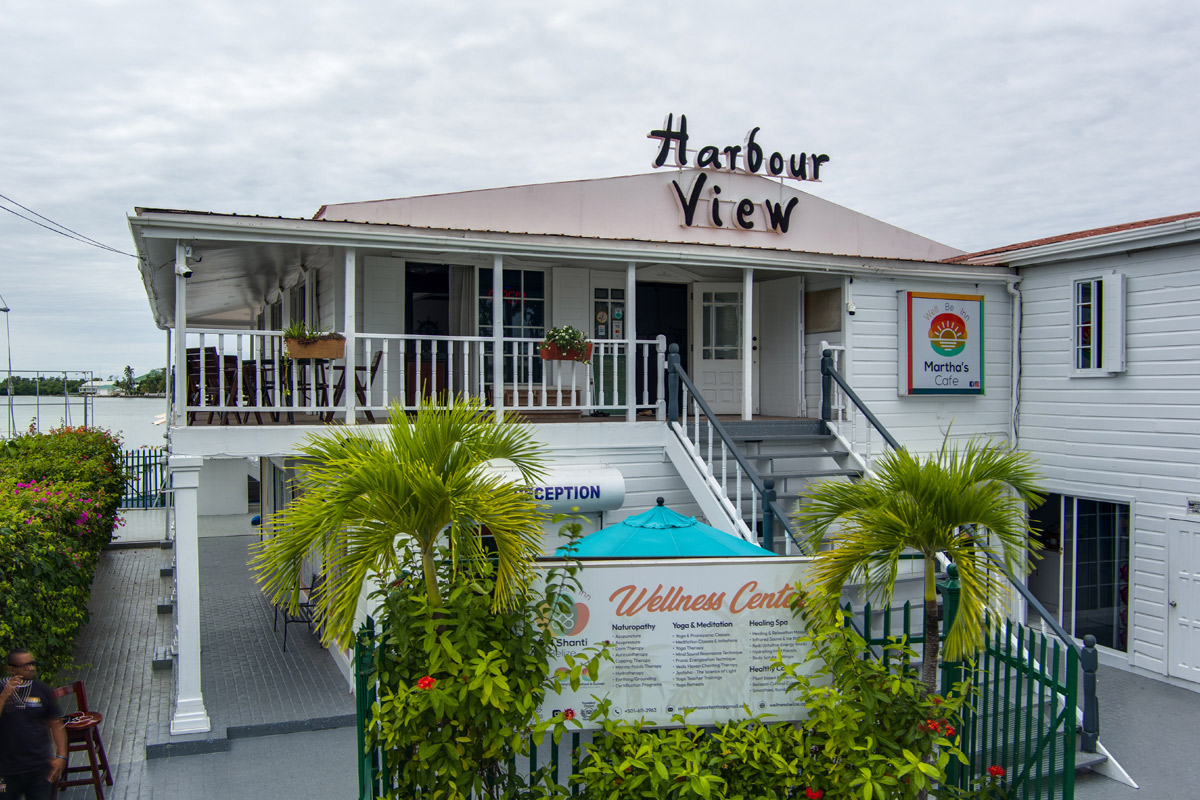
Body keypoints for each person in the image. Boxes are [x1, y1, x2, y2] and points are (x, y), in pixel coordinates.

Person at [0, 650, 66, 799]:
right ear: (11, 669)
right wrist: (4, 695)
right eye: (25, 665)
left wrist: (61, 756)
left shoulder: (43, 690)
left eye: (32, 663)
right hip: (6, 770)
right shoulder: (1, 689)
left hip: (39, 767)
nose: (31, 668)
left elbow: (56, 723)